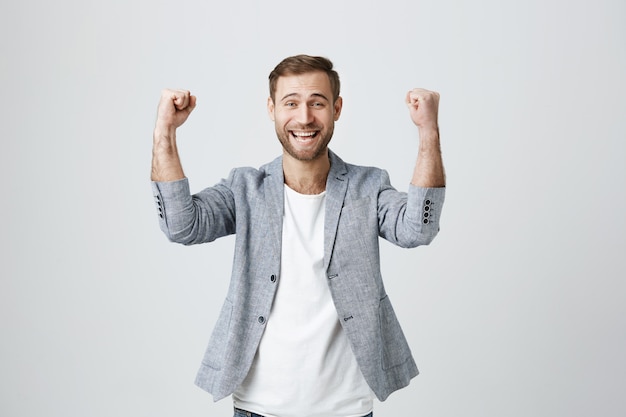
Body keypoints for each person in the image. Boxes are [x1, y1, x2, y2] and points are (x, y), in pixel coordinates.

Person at [150, 54, 445, 417]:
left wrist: (428, 130)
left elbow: (419, 227)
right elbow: (182, 225)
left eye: (317, 103)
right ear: (272, 109)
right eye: (291, 103)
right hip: (257, 409)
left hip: (347, 410)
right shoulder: (245, 189)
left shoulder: (369, 187)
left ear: (336, 109)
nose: (304, 117)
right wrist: (165, 130)